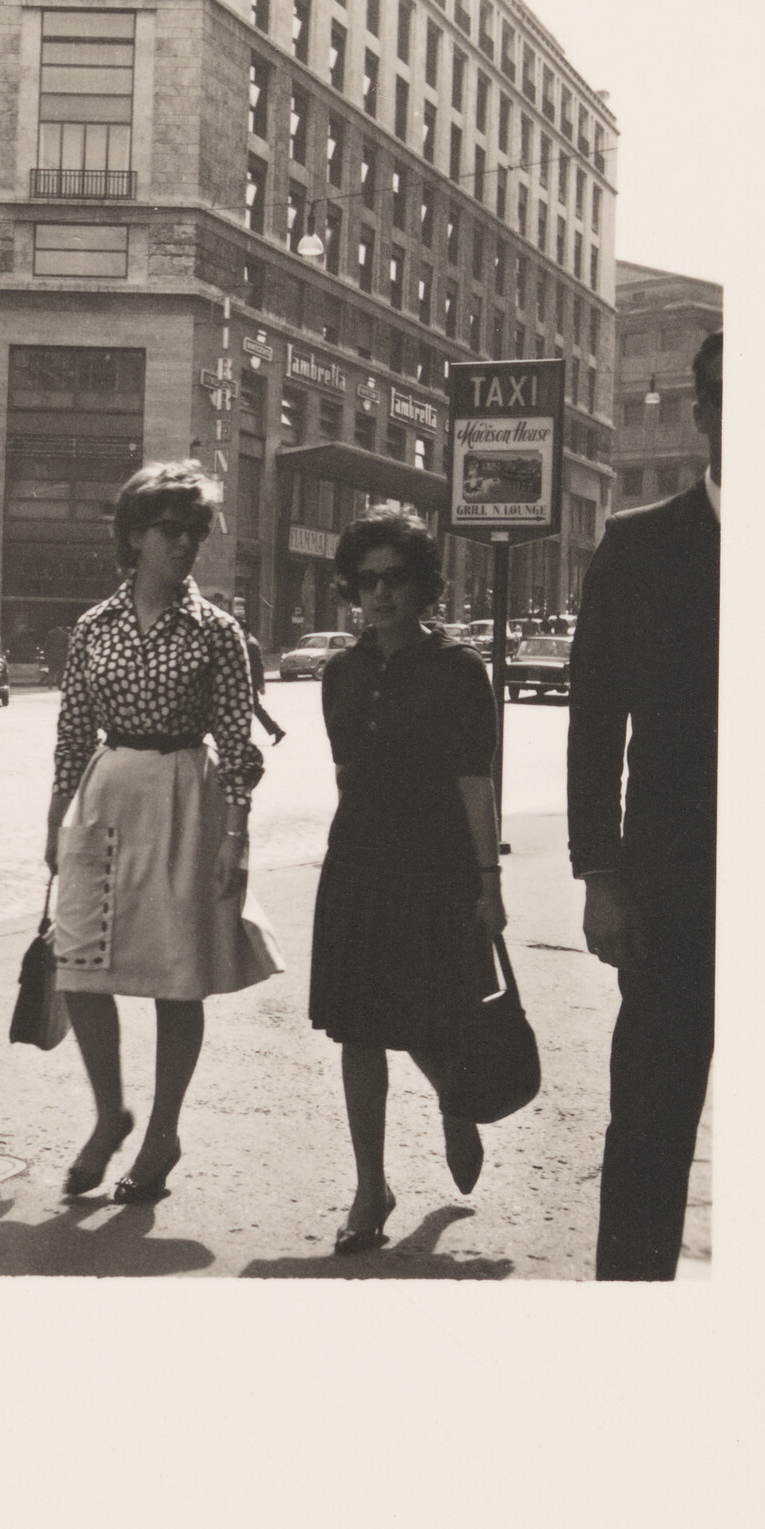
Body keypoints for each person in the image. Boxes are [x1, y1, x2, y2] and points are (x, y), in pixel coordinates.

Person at [45, 461, 283, 1205]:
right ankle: (109, 1112)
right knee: (79, 964)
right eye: (170, 530)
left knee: (176, 978)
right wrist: (52, 826)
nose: (185, 543)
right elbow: (71, 733)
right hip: (105, 793)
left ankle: (162, 1132)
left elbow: (238, 743)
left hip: (186, 794)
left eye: (196, 530)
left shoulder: (217, 633)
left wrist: (235, 836)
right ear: (134, 536)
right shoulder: (92, 627)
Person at [308, 510, 506, 1253]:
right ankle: (370, 1188)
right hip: (358, 863)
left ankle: (455, 1104)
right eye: (366, 580)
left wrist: (488, 879)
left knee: (424, 1017)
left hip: (436, 869)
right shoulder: (341, 672)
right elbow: (346, 775)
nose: (380, 593)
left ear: (422, 585)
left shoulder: (458, 672)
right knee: (357, 1031)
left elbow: (473, 780)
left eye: (395, 578)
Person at [568, 330, 722, 1280]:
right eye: (728, 394)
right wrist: (598, 875)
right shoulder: (635, 547)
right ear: (701, 412)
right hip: (674, 897)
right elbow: (594, 729)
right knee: (651, 1134)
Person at [43, 623, 70, 687]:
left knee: (52, 670)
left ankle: (50, 683)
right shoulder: (65, 634)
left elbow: (47, 645)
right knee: (61, 670)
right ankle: (59, 684)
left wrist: (46, 653)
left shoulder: (50, 633)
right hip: (62, 655)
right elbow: (67, 646)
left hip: (52, 655)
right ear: (61, 626)